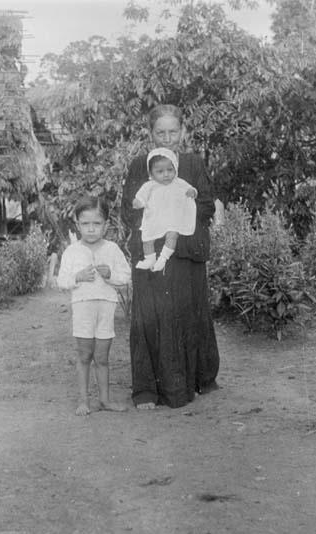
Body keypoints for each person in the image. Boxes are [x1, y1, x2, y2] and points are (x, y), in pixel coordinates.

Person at [121, 104, 220, 409]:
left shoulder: (193, 163)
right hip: (152, 253)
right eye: (160, 132)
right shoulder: (141, 165)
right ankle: (148, 390)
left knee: (191, 314)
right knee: (151, 320)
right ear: (150, 134)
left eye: (173, 131)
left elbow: (206, 206)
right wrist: (158, 226)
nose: (167, 138)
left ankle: (201, 379)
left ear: (183, 132)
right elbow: (129, 210)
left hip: (185, 250)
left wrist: (175, 220)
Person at [57, 195, 131, 416]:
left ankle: (105, 400)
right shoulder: (72, 252)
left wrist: (111, 275)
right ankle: (83, 401)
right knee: (84, 356)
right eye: (85, 224)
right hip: (83, 309)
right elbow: (61, 281)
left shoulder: (112, 250)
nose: (91, 229)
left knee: (102, 357)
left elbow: (125, 277)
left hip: (105, 309)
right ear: (77, 225)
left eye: (96, 224)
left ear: (106, 225)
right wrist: (77, 277)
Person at [133, 147, 197, 272]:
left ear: (175, 169)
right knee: (147, 238)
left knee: (172, 235)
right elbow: (140, 197)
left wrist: (192, 191)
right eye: (160, 172)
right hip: (154, 218)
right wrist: (138, 202)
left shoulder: (179, 182)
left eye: (170, 170)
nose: (166, 174)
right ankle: (150, 259)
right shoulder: (149, 186)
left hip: (172, 218)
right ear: (151, 173)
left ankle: (163, 258)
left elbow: (191, 189)